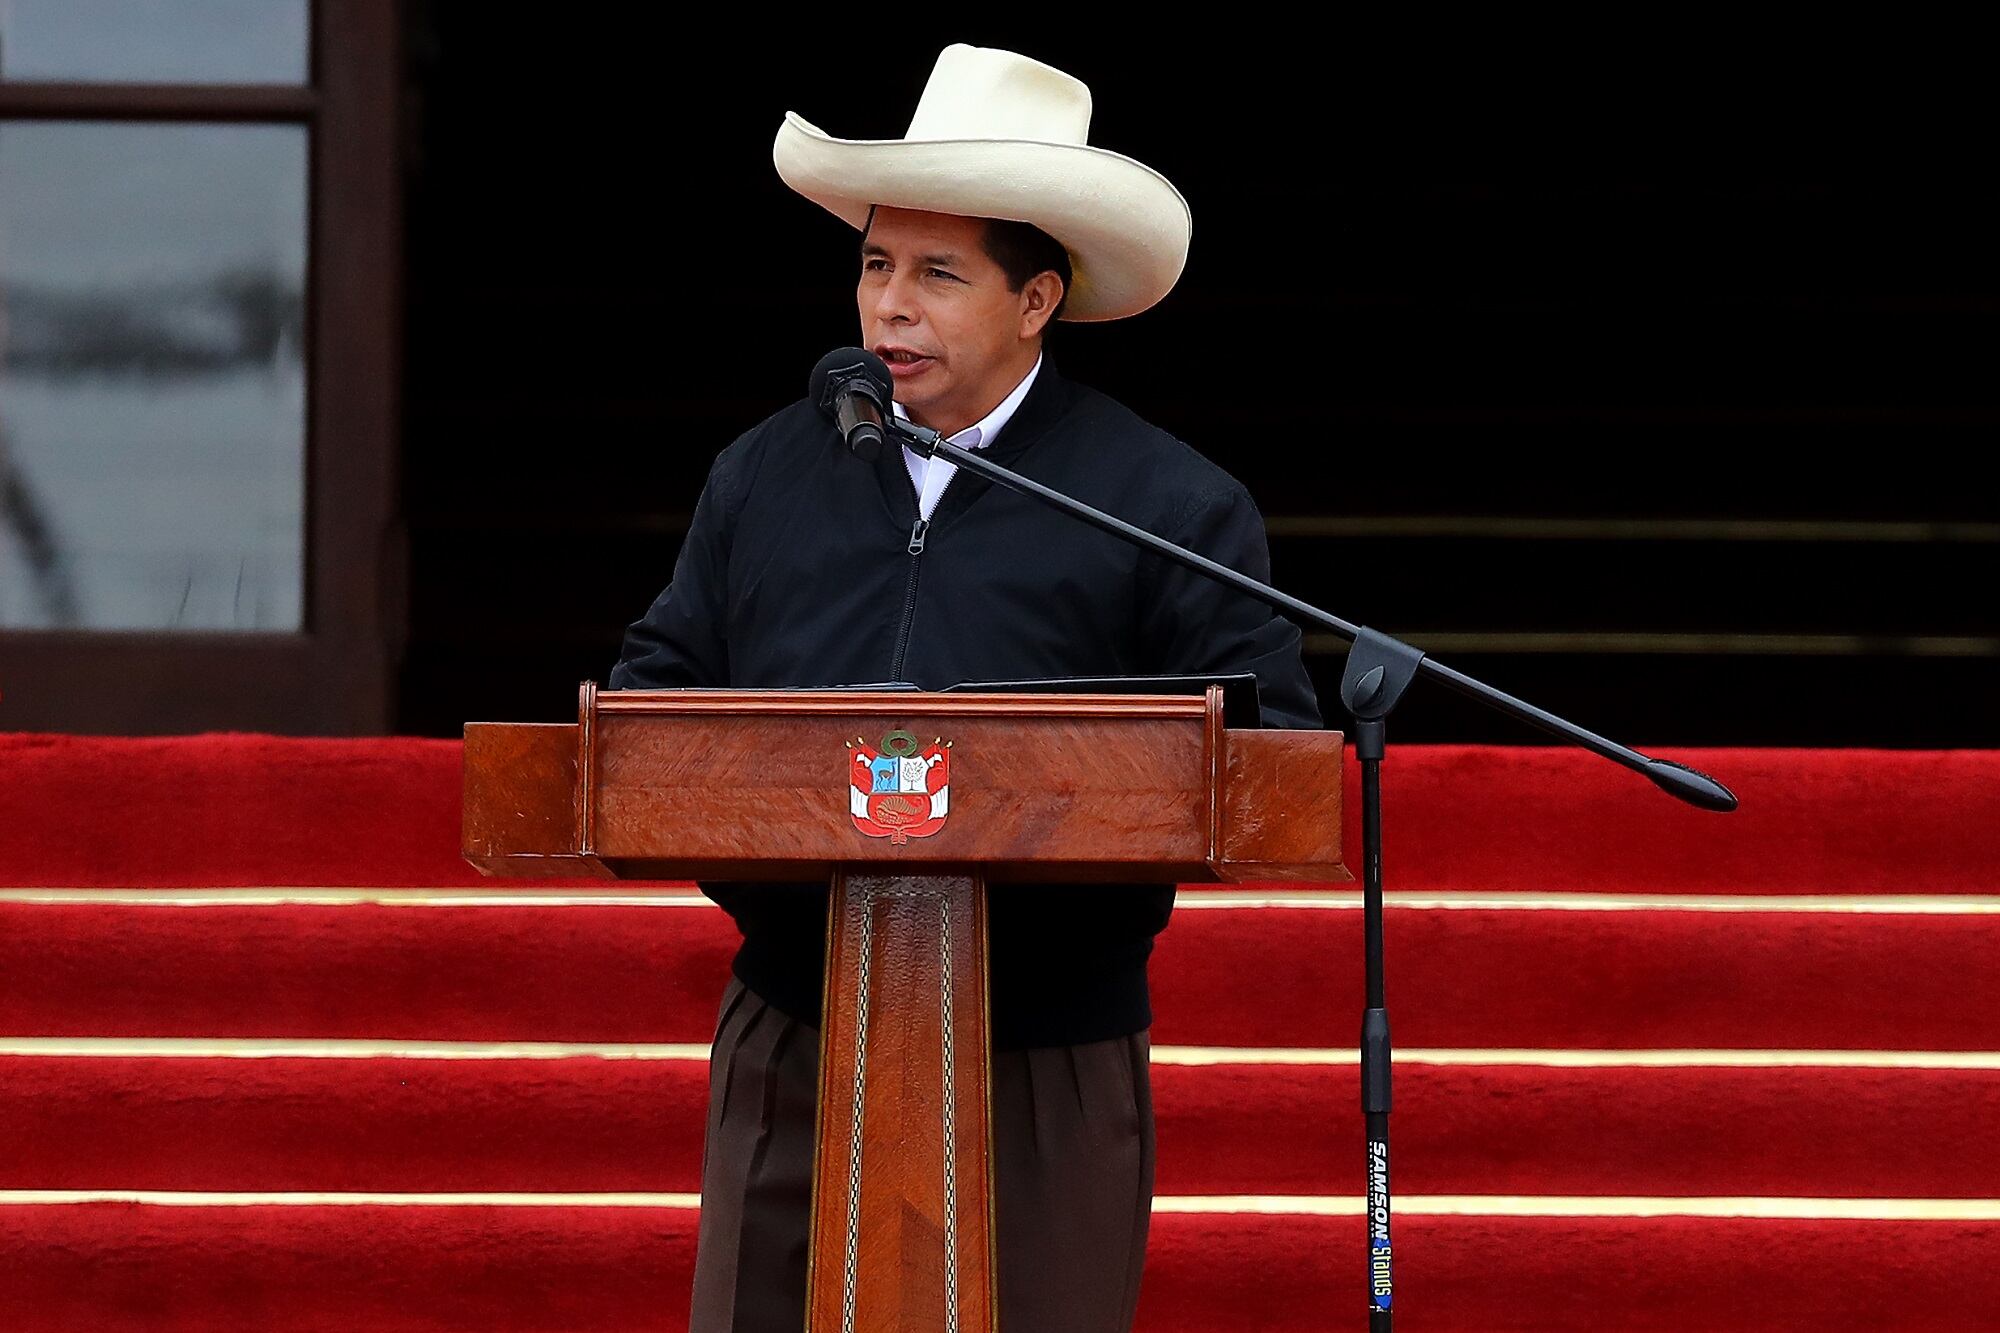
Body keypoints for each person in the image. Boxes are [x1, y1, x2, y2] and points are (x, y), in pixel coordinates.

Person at [609, 43, 1320, 1332]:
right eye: (877, 264)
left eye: (940, 274)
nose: (890, 310)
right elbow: (657, 697)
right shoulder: (766, 473)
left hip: (1044, 1050)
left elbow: (1267, 752)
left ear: (1037, 299)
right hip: (798, 1024)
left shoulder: (1163, 503)